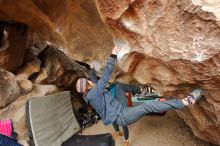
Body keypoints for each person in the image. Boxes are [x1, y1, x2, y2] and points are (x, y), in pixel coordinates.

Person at [75, 46, 203, 146]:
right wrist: (113, 54)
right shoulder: (95, 90)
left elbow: (95, 82)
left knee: (119, 86)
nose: (91, 81)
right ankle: (185, 102)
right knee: (148, 107)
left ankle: (137, 90)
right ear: (89, 86)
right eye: (89, 82)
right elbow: (106, 75)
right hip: (122, 116)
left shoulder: (90, 96)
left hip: (116, 111)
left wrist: (91, 70)